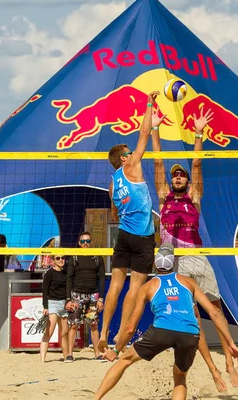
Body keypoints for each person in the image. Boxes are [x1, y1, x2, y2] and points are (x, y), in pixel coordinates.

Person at [152, 106, 238, 388]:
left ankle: (229, 359)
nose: (178, 177)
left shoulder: (195, 197)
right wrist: (154, 129)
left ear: (188, 182)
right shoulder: (164, 197)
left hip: (197, 257)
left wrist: (199, 133)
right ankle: (214, 371)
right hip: (175, 263)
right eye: (175, 175)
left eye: (182, 175)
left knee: (216, 311)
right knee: (194, 321)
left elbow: (198, 164)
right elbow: (157, 164)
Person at [93, 244, 238, 400]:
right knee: (180, 378)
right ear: (174, 263)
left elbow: (131, 327)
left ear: (154, 264)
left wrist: (116, 350)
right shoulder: (188, 282)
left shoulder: (148, 287)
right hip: (189, 334)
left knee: (124, 360)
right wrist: (231, 343)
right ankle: (213, 370)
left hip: (162, 331)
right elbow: (215, 313)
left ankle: (96, 398)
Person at [100, 91, 161, 351]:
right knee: (134, 287)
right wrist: (149, 103)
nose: (131, 152)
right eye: (128, 151)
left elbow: (114, 214)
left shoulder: (113, 184)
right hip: (142, 237)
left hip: (123, 235)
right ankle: (120, 335)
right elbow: (144, 134)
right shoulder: (132, 166)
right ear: (124, 158)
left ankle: (103, 332)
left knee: (115, 284)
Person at [65, 232, 106, 362]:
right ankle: (70, 354)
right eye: (83, 242)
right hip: (77, 295)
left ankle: (97, 354)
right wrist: (68, 299)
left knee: (93, 325)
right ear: (79, 243)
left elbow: (102, 278)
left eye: (88, 241)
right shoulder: (74, 257)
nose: (86, 244)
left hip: (93, 295)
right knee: (73, 325)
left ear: (91, 242)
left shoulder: (97, 257)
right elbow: (69, 279)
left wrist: (101, 298)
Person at [40, 254, 70, 362]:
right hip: (52, 303)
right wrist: (45, 307)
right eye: (58, 258)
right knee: (49, 331)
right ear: (53, 260)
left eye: (62, 258)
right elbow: (44, 291)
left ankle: (66, 357)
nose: (61, 260)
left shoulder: (66, 273)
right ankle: (42, 359)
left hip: (64, 304)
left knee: (64, 333)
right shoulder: (49, 274)